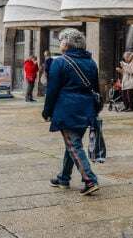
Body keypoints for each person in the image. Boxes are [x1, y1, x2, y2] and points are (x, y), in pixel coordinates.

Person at [42, 28, 100, 195]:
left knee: (73, 145)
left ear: (67, 43)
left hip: (67, 109)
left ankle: (90, 180)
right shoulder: (91, 63)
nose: (60, 44)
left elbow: (52, 90)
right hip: (86, 109)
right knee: (73, 144)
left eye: (61, 41)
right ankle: (63, 178)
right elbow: (96, 88)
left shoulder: (60, 62)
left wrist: (47, 111)